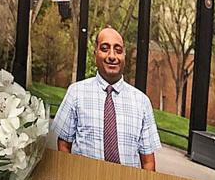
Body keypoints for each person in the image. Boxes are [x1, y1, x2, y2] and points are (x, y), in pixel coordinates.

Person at [50, 26, 160, 171]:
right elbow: (64, 144)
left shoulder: (142, 102)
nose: (112, 56)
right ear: (95, 53)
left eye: (118, 50)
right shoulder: (76, 93)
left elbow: (148, 162)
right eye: (105, 48)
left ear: (124, 55)